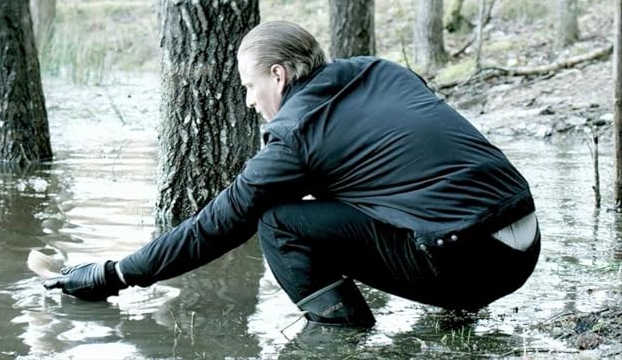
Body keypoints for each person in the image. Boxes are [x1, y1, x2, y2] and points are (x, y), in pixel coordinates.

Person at [42, 21, 540, 328]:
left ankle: (337, 336)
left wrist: (117, 274)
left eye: (249, 85)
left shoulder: (295, 137)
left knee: (277, 221)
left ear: (278, 75)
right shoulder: (378, 70)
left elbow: (218, 223)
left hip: (471, 262)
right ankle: (457, 307)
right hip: (525, 238)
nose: (247, 100)